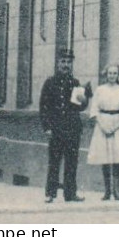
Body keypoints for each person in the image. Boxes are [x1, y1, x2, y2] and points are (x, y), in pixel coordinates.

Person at [39, 48, 90, 204]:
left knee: (71, 162)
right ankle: (50, 193)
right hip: (56, 129)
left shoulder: (74, 83)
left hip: (72, 128)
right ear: (57, 63)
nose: (66, 65)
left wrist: (85, 98)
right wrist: (47, 127)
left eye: (68, 62)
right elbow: (43, 106)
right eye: (63, 62)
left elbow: (79, 107)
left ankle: (70, 193)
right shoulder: (50, 82)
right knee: (54, 161)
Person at [87, 63, 119, 201]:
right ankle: (107, 190)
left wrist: (117, 125)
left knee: (117, 158)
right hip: (102, 123)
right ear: (106, 74)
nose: (112, 76)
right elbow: (94, 109)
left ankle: (117, 190)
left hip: (117, 123)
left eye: (115, 73)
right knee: (104, 157)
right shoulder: (100, 90)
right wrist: (103, 125)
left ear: (118, 75)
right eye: (110, 73)